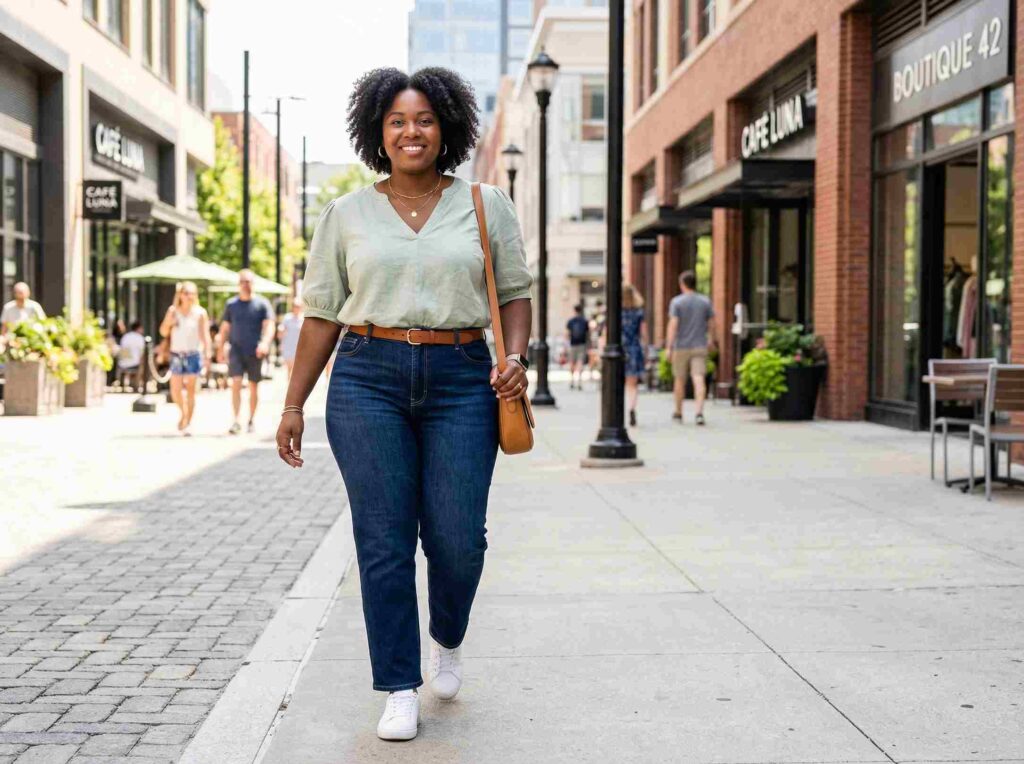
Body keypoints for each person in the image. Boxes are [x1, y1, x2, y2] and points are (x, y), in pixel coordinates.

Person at [275, 67, 532, 742]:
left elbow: (514, 294)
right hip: (367, 376)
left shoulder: (485, 203)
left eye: (423, 120)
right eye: (397, 121)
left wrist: (516, 358)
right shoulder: (346, 215)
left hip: (463, 377)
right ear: (377, 132)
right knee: (383, 542)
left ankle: (447, 635)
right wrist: (293, 403)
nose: (410, 131)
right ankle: (397, 683)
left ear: (445, 127)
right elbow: (323, 314)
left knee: (456, 539)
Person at [217, 270, 274, 434]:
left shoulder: (262, 304)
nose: (245, 284)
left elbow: (269, 326)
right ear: (239, 284)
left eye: (248, 281)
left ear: (253, 283)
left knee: (253, 386)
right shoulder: (231, 305)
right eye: (242, 281)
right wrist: (220, 348)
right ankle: (236, 420)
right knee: (235, 383)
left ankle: (251, 419)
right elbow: (225, 328)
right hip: (236, 349)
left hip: (255, 351)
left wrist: (264, 343)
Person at [665, 270, 716, 425]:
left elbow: (673, 325)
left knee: (679, 380)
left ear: (682, 284)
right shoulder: (705, 301)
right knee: (699, 378)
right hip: (700, 345)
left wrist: (669, 346)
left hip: (681, 346)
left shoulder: (677, 302)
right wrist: (711, 340)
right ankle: (699, 413)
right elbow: (712, 323)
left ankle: (678, 412)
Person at [160, 281, 211, 436]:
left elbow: (205, 335)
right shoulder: (173, 311)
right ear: (180, 294)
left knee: (190, 390)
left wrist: (207, 354)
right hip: (176, 354)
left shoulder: (200, 313)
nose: (188, 296)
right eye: (186, 293)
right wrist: (169, 323)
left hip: (193, 354)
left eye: (191, 293)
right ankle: (183, 413)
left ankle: (188, 422)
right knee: (175, 390)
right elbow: (163, 332)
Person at [621, 284, 647, 427]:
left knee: (619, 384)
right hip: (634, 349)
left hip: (619, 350)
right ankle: (632, 408)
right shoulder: (638, 312)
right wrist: (646, 348)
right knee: (632, 385)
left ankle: (621, 410)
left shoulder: (616, 312)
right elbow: (643, 333)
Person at [116, 320, 147, 392]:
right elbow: (142, 354)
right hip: (134, 363)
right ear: (139, 328)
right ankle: (137, 384)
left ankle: (131, 382)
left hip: (122, 363)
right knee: (143, 363)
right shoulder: (140, 338)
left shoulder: (125, 336)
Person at [278, 298, 304, 380]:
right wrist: (280, 330)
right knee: (289, 367)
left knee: (297, 368)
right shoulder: (287, 317)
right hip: (288, 345)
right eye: (295, 306)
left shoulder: (303, 318)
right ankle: (288, 384)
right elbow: (281, 329)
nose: (296, 308)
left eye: (298, 306)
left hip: (299, 346)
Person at [565, 304, 589, 390]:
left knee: (572, 362)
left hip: (572, 344)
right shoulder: (584, 321)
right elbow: (587, 334)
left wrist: (566, 346)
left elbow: (567, 334)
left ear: (574, 310)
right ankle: (579, 381)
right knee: (580, 362)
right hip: (582, 344)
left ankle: (572, 381)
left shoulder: (571, 321)